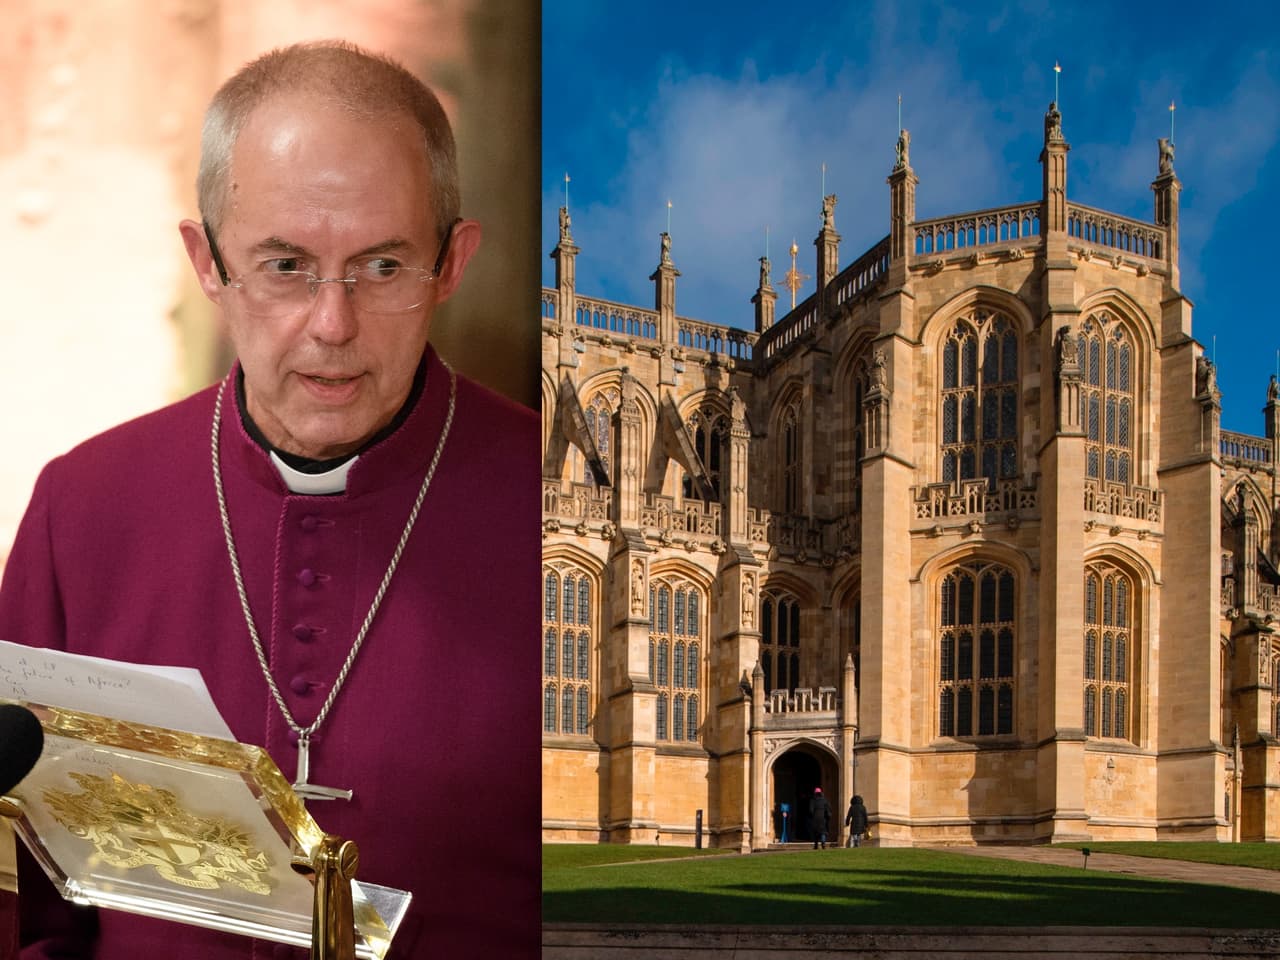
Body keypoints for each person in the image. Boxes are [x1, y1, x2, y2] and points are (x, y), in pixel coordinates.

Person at [0, 41, 538, 959]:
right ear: (207, 262)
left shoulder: (550, 498)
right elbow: (22, 901)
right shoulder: (81, 509)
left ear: (452, 263)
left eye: (382, 268)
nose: (332, 325)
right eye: (285, 265)